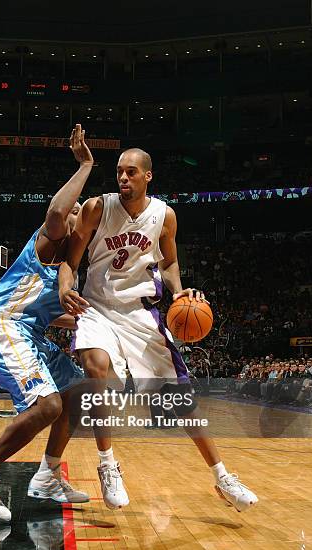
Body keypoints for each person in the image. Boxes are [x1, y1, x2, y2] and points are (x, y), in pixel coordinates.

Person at [59, 147, 258, 512]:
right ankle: (107, 465)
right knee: (96, 368)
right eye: (120, 171)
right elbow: (70, 264)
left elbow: (169, 262)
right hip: (98, 308)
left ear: (147, 176)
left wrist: (179, 289)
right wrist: (64, 288)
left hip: (141, 314)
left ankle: (223, 477)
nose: (123, 178)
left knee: (178, 401)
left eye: (131, 172)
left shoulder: (164, 216)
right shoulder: (96, 208)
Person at [0, 125, 94, 523]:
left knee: (76, 392)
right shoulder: (48, 242)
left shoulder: (70, 268)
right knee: (47, 405)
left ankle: (48, 476)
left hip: (29, 333)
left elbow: (65, 317)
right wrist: (85, 164)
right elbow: (54, 211)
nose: (74, 213)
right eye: (74, 209)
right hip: (1, 325)